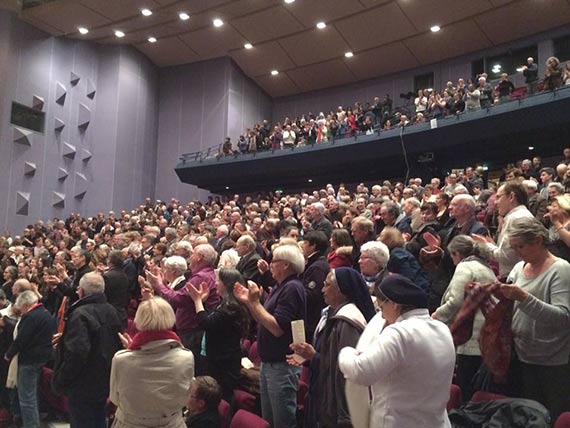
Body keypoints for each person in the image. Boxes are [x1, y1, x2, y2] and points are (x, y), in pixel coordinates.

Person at [338, 274, 455, 428]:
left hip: (397, 421)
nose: (382, 316)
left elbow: (361, 372)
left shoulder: (399, 333)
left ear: (394, 304)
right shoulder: (442, 329)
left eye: (381, 307)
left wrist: (346, 353)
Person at [500, 216, 570, 421]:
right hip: (521, 355)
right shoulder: (518, 268)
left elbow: (563, 317)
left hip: (552, 361)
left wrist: (523, 298)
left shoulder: (561, 269)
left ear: (538, 240)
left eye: (520, 246)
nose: (516, 252)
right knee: (528, 416)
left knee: (552, 416)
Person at [289, 268, 375, 428]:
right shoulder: (331, 314)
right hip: (321, 395)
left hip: (335, 408)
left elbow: (345, 370)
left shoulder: (348, 322)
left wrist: (313, 356)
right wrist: (308, 357)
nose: (322, 290)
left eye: (327, 285)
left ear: (341, 290)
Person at [233, 244, 306, 428]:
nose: (270, 265)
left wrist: (254, 302)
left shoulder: (292, 288)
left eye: (274, 261)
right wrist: (250, 303)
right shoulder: (281, 286)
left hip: (282, 365)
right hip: (271, 363)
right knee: (268, 421)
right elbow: (265, 319)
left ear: (286, 265)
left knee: (282, 421)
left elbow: (277, 328)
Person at [110, 297, 194, 428]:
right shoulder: (186, 357)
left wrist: (132, 352)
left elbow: (115, 398)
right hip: (172, 423)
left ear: (139, 321)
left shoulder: (121, 359)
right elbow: (186, 396)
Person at [53, 272, 123, 428]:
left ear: (82, 291)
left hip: (82, 383)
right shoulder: (111, 310)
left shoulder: (80, 314)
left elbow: (77, 352)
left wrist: (62, 378)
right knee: (99, 420)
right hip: (104, 379)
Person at [432, 235, 496, 401]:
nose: (452, 261)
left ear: (457, 254)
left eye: (452, 256)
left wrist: (437, 315)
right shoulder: (486, 267)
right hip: (484, 335)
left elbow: (456, 301)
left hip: (469, 336)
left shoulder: (465, 267)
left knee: (465, 387)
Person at [186, 268, 249, 402]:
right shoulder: (225, 304)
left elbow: (207, 323)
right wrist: (201, 301)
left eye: (218, 281)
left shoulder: (232, 307)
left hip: (224, 363)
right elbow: (212, 319)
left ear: (227, 284)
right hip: (218, 358)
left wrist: (197, 300)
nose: (215, 283)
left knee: (221, 398)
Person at [5, 291, 56, 428]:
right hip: (41, 358)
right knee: (32, 394)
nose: (20, 311)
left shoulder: (30, 317)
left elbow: (21, 339)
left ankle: (31, 425)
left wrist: (9, 354)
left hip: (29, 360)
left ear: (26, 305)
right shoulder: (45, 314)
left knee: (27, 398)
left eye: (21, 307)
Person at [472, 182, 533, 280]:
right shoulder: (518, 215)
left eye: (498, 197)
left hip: (516, 276)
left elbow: (506, 257)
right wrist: (492, 244)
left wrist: (484, 245)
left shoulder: (516, 218)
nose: (495, 202)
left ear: (511, 197)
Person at [379, 227, 429, 291]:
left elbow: (409, 277)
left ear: (390, 241)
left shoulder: (396, 254)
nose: (378, 239)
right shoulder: (395, 252)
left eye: (381, 236)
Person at [103, 250, 130, 329]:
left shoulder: (107, 277)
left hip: (110, 314)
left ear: (110, 261)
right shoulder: (124, 275)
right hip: (121, 312)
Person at [545, 194, 570, 261]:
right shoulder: (553, 224)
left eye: (554, 206)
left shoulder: (558, 223)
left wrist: (556, 222)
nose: (550, 208)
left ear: (563, 208)